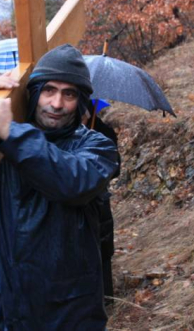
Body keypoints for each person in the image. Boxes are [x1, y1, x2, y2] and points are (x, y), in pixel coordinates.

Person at [0, 44, 119, 330]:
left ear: (81, 101)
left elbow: (71, 181)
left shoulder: (96, 146)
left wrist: (11, 133)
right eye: (49, 90)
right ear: (34, 93)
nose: (56, 103)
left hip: (67, 313)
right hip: (1, 308)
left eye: (69, 94)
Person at [83, 105, 121, 306]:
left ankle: (106, 299)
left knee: (102, 250)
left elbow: (116, 169)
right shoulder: (64, 133)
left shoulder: (102, 132)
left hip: (99, 202)